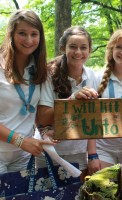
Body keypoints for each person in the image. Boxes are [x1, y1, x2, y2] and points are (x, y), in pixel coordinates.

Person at [36, 26, 99, 181]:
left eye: (83, 47)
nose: (78, 52)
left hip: (78, 150)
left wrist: (92, 154)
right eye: (73, 47)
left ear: (90, 50)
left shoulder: (92, 76)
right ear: (63, 48)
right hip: (49, 150)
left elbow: (93, 119)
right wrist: (72, 101)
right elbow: (43, 117)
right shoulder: (49, 74)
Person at [0, 9, 55, 174]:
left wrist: (45, 132)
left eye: (34, 34)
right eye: (22, 33)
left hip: (23, 156)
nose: (29, 40)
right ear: (11, 34)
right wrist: (20, 141)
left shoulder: (40, 71)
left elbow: (35, 112)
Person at [84, 28, 122, 174]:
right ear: (111, 50)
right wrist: (92, 154)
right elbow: (90, 117)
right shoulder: (97, 78)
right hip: (103, 149)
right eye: (119, 47)